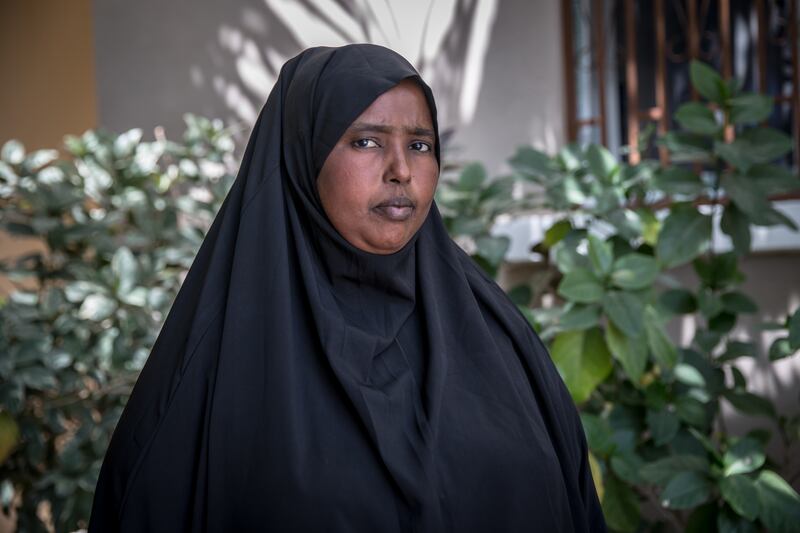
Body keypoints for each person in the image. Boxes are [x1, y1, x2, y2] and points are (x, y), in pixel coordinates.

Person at [88, 43, 607, 532]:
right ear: (303, 158)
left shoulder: (495, 334)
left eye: (420, 145)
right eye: (366, 141)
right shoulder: (217, 362)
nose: (401, 170)